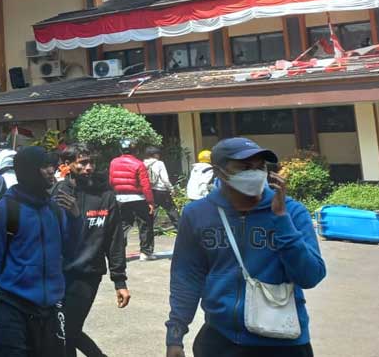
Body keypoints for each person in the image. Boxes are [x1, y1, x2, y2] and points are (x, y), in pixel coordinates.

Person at [166, 138, 326, 357]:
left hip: (284, 341)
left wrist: (281, 220)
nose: (255, 173)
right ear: (219, 172)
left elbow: (310, 276)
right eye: (244, 167)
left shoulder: (292, 211)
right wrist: (175, 335)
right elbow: (187, 277)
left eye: (260, 167)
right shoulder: (197, 214)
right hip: (221, 339)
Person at [0, 147, 81, 356]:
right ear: (29, 170)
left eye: (51, 166)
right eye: (44, 166)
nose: (51, 171)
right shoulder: (6, 209)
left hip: (50, 310)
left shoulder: (55, 210)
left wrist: (75, 218)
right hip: (13, 308)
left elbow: (70, 252)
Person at [51, 145, 129, 357]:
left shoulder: (105, 195)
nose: (89, 167)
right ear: (67, 165)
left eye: (91, 162)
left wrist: (119, 281)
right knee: (59, 330)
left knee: (69, 329)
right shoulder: (58, 193)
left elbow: (114, 239)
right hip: (57, 274)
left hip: (88, 273)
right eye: (82, 162)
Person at [108, 139, 156, 261]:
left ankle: (120, 253)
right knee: (145, 225)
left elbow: (111, 181)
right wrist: (150, 201)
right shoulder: (139, 164)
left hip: (120, 198)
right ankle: (146, 253)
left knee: (122, 225)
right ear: (136, 151)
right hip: (138, 198)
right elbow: (145, 185)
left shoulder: (113, 162)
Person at [145, 147, 179, 229]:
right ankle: (181, 228)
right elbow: (165, 178)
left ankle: (148, 230)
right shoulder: (159, 163)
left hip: (151, 190)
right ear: (155, 155)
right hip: (161, 190)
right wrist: (171, 188)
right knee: (171, 209)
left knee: (152, 211)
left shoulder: (144, 163)